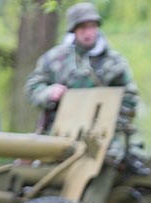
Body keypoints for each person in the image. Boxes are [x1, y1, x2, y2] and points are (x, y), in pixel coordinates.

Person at [25, 2, 139, 134]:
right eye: (83, 28)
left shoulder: (114, 62)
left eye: (92, 27)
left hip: (102, 136)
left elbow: (130, 98)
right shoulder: (54, 59)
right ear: (73, 30)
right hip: (58, 132)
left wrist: (109, 119)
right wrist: (49, 93)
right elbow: (33, 86)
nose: (88, 33)